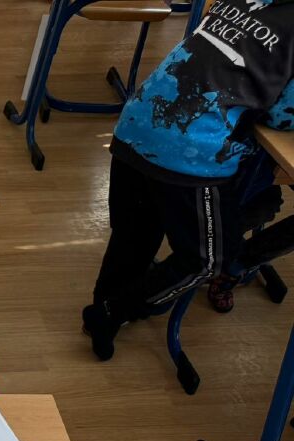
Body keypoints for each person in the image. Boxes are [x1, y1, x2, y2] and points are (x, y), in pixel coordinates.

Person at [83, 0, 294, 359]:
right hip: (190, 152)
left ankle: (104, 308)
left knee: (133, 236)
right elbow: (281, 116)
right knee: (208, 261)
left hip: (138, 123)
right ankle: (111, 311)